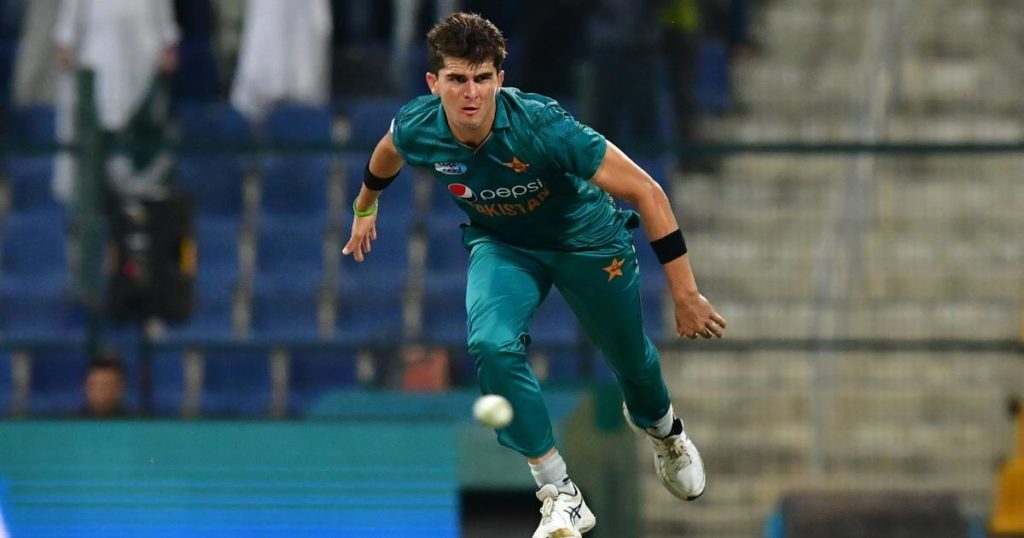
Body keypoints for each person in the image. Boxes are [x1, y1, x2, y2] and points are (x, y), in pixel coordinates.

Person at [341, 13, 727, 538]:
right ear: (434, 83)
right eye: (457, 79)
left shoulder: (542, 125)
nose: (471, 93)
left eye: (482, 78)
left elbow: (647, 191)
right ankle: (560, 493)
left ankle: (666, 433)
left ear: (500, 78)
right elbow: (387, 152)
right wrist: (365, 207)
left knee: (631, 362)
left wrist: (686, 293)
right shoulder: (418, 124)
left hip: (587, 240)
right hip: (504, 244)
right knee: (490, 344)